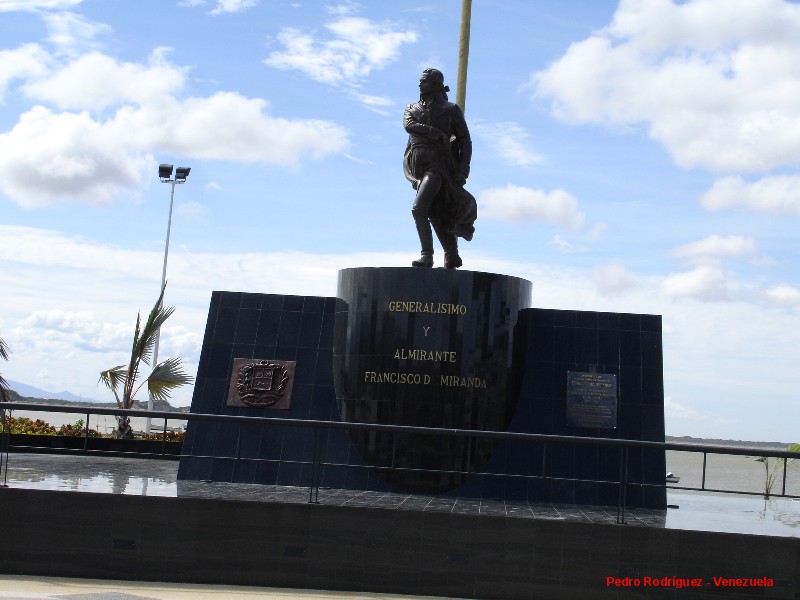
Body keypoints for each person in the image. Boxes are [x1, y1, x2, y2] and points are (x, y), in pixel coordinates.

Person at [403, 68, 476, 269]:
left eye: (424, 81)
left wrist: (463, 170)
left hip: (438, 167)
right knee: (435, 213)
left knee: (419, 209)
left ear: (436, 85)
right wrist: (433, 132)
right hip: (418, 169)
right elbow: (408, 125)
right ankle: (452, 255)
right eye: (420, 81)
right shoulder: (412, 108)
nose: (420, 84)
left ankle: (426, 255)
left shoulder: (451, 110)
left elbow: (465, 141)